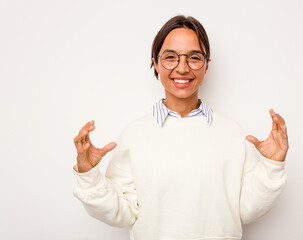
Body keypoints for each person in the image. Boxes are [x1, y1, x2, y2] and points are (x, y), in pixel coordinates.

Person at [72, 15, 289, 240]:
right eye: (170, 57)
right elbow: (122, 212)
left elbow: (244, 209)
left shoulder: (232, 132)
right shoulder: (134, 134)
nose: (182, 68)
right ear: (155, 62)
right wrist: (89, 175)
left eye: (194, 57)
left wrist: (272, 166)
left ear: (206, 65)